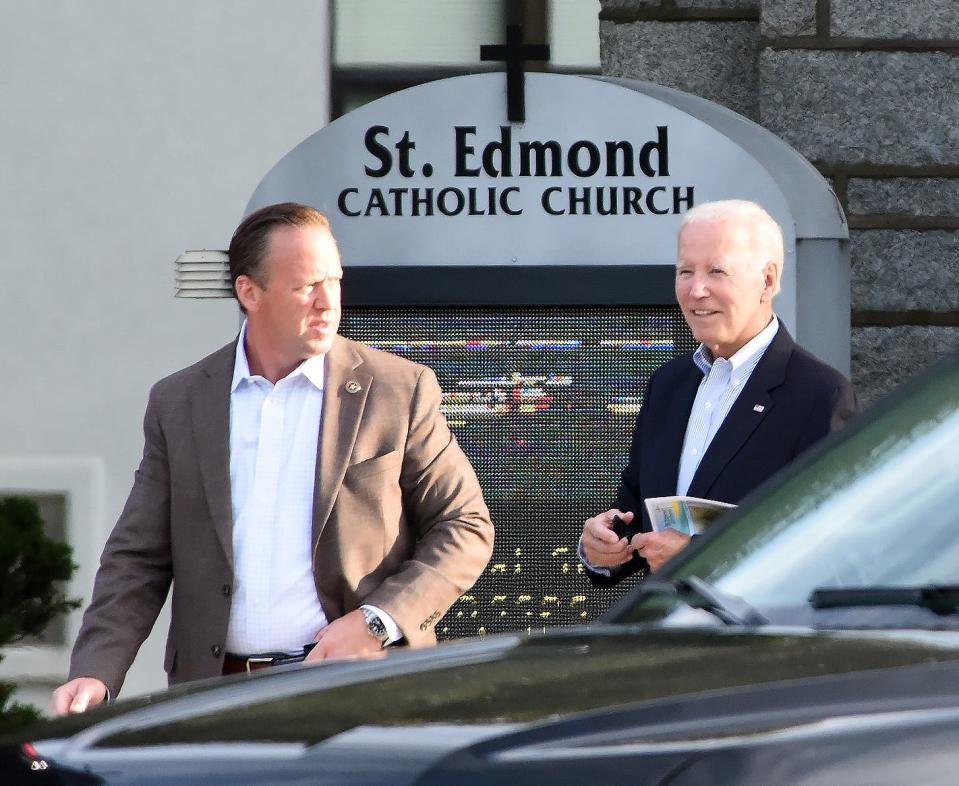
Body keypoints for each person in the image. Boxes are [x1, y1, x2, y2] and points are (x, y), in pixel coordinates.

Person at [53, 202, 494, 714]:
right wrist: (95, 671)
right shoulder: (181, 402)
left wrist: (377, 621)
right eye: (307, 286)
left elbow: (465, 526)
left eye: (336, 280)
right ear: (249, 292)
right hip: (215, 698)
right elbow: (138, 556)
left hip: (361, 693)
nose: (329, 302)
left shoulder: (397, 389)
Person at [580, 199, 856, 584]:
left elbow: (827, 547)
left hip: (751, 640)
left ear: (768, 280)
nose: (696, 291)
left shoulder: (819, 394)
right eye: (685, 271)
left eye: (717, 271)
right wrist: (603, 547)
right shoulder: (668, 386)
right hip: (667, 638)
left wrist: (697, 559)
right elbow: (635, 510)